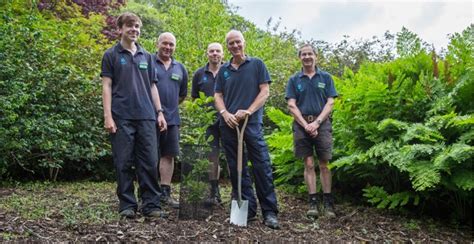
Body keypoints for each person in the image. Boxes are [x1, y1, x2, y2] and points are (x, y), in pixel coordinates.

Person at [100, 12, 167, 218]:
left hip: (147, 116)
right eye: (130, 26)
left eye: (137, 26)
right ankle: (127, 204)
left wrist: (160, 112)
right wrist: (108, 116)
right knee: (124, 161)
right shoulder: (111, 55)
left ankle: (151, 205)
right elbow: (106, 86)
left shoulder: (147, 56)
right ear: (120, 29)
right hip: (121, 116)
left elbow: (153, 87)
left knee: (149, 162)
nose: (134, 29)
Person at [214, 30, 280, 229]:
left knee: (262, 166)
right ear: (227, 47)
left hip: (251, 125)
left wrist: (248, 111)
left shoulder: (257, 64)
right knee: (236, 168)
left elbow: (265, 91)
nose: (235, 46)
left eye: (237, 42)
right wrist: (225, 113)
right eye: (231, 43)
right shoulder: (224, 70)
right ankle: (248, 210)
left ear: (244, 42)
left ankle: (269, 212)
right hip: (230, 125)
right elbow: (218, 95)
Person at [285, 44, 338, 219]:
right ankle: (313, 202)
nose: (307, 57)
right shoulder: (294, 80)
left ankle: (328, 202)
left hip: (321, 123)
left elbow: (330, 102)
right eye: (303, 54)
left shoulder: (326, 77)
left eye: (310, 54)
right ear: (299, 57)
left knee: (324, 163)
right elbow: (291, 105)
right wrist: (305, 124)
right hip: (301, 124)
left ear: (316, 56)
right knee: (308, 164)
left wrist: (316, 123)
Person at [154, 32, 188, 209]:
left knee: (169, 154)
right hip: (149, 117)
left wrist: (169, 109)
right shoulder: (148, 62)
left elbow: (182, 95)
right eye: (164, 44)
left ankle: (165, 193)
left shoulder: (180, 68)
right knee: (149, 155)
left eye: (171, 45)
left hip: (172, 119)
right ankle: (149, 192)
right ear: (157, 44)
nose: (168, 47)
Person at [191, 43, 224, 205]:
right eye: (212, 51)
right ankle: (214, 191)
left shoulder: (229, 71)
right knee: (212, 158)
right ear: (207, 54)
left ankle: (237, 193)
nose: (215, 54)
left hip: (228, 120)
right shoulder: (199, 74)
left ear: (222, 54)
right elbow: (195, 98)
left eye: (218, 51)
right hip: (208, 122)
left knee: (233, 156)